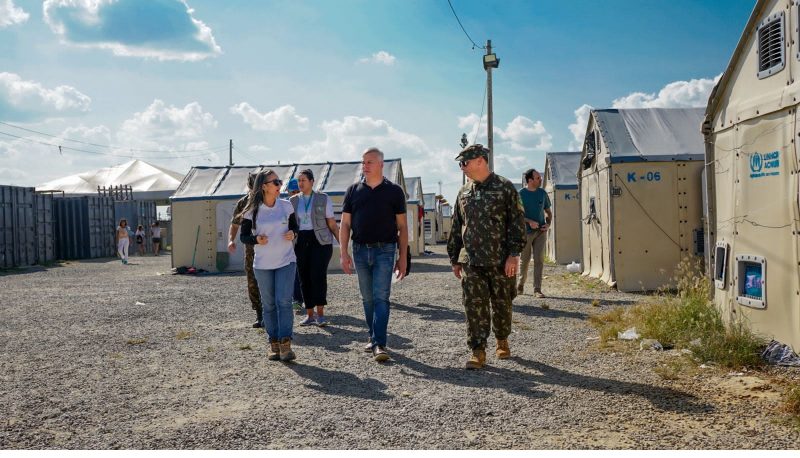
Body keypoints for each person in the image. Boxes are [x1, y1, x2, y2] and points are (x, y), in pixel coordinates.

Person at [447, 144, 526, 370]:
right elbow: (456, 226)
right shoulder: (463, 192)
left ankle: (502, 340)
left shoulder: (505, 188)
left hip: (500, 260)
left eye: (465, 162)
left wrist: (514, 254)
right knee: (473, 306)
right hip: (471, 260)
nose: (462, 167)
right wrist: (454, 258)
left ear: (480, 161)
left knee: (502, 303)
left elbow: (517, 223)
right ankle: (478, 350)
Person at [340, 147, 408, 363]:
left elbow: (403, 227)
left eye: (369, 162)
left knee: (381, 297)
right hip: (360, 250)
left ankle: (379, 342)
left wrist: (403, 257)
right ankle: (373, 336)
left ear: (381, 164)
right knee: (367, 298)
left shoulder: (394, 191)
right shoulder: (353, 191)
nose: (365, 166)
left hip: (385, 250)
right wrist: (343, 252)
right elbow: (345, 224)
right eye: (363, 162)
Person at [239, 169, 299, 361]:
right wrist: (256, 239)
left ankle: (285, 343)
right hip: (262, 264)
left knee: (284, 301)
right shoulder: (251, 210)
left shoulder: (286, 206)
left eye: (279, 181)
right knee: (269, 304)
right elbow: (244, 237)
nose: (279, 185)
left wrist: (293, 234)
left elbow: (294, 227)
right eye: (276, 182)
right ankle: (273, 342)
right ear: (264, 186)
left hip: (286, 261)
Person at [290, 169, 339, 327]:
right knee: (304, 277)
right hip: (301, 240)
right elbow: (289, 225)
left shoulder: (323, 198)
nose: (301, 183)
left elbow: (331, 223)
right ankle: (309, 315)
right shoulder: (293, 201)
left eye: (304, 180)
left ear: (312, 181)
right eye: (299, 181)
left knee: (318, 276)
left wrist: (343, 244)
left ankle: (321, 315)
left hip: (320, 241)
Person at [228, 172, 264, 328]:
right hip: (251, 248)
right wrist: (231, 240)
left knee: (271, 280)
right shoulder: (243, 203)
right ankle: (259, 314)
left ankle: (272, 313)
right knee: (252, 280)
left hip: (269, 246)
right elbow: (235, 224)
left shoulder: (268, 199)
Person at [518, 168, 552, 298]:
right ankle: (520, 285)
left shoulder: (542, 193)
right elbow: (517, 215)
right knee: (524, 260)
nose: (540, 179)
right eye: (538, 178)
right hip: (526, 232)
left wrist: (548, 224)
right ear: (530, 180)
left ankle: (537, 289)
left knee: (539, 260)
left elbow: (548, 212)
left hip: (540, 232)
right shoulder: (520, 194)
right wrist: (529, 221)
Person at [286, 178, 305, 314]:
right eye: (291, 191)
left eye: (296, 191)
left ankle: (309, 299)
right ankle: (297, 300)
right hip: (292, 243)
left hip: (308, 241)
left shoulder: (306, 203)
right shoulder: (286, 206)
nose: (293, 194)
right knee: (296, 272)